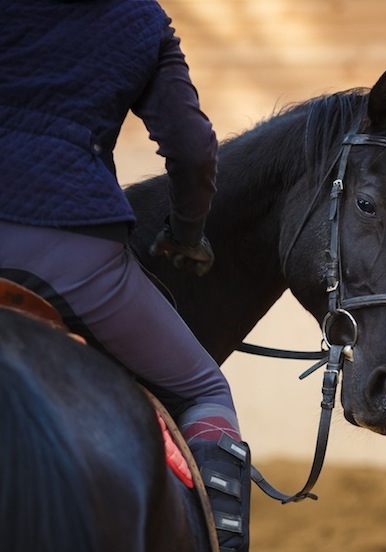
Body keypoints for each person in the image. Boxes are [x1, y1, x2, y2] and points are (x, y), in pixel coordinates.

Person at [0, 0, 250, 550]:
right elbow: (191, 150)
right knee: (206, 389)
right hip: (70, 252)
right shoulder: (140, 18)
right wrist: (187, 232)